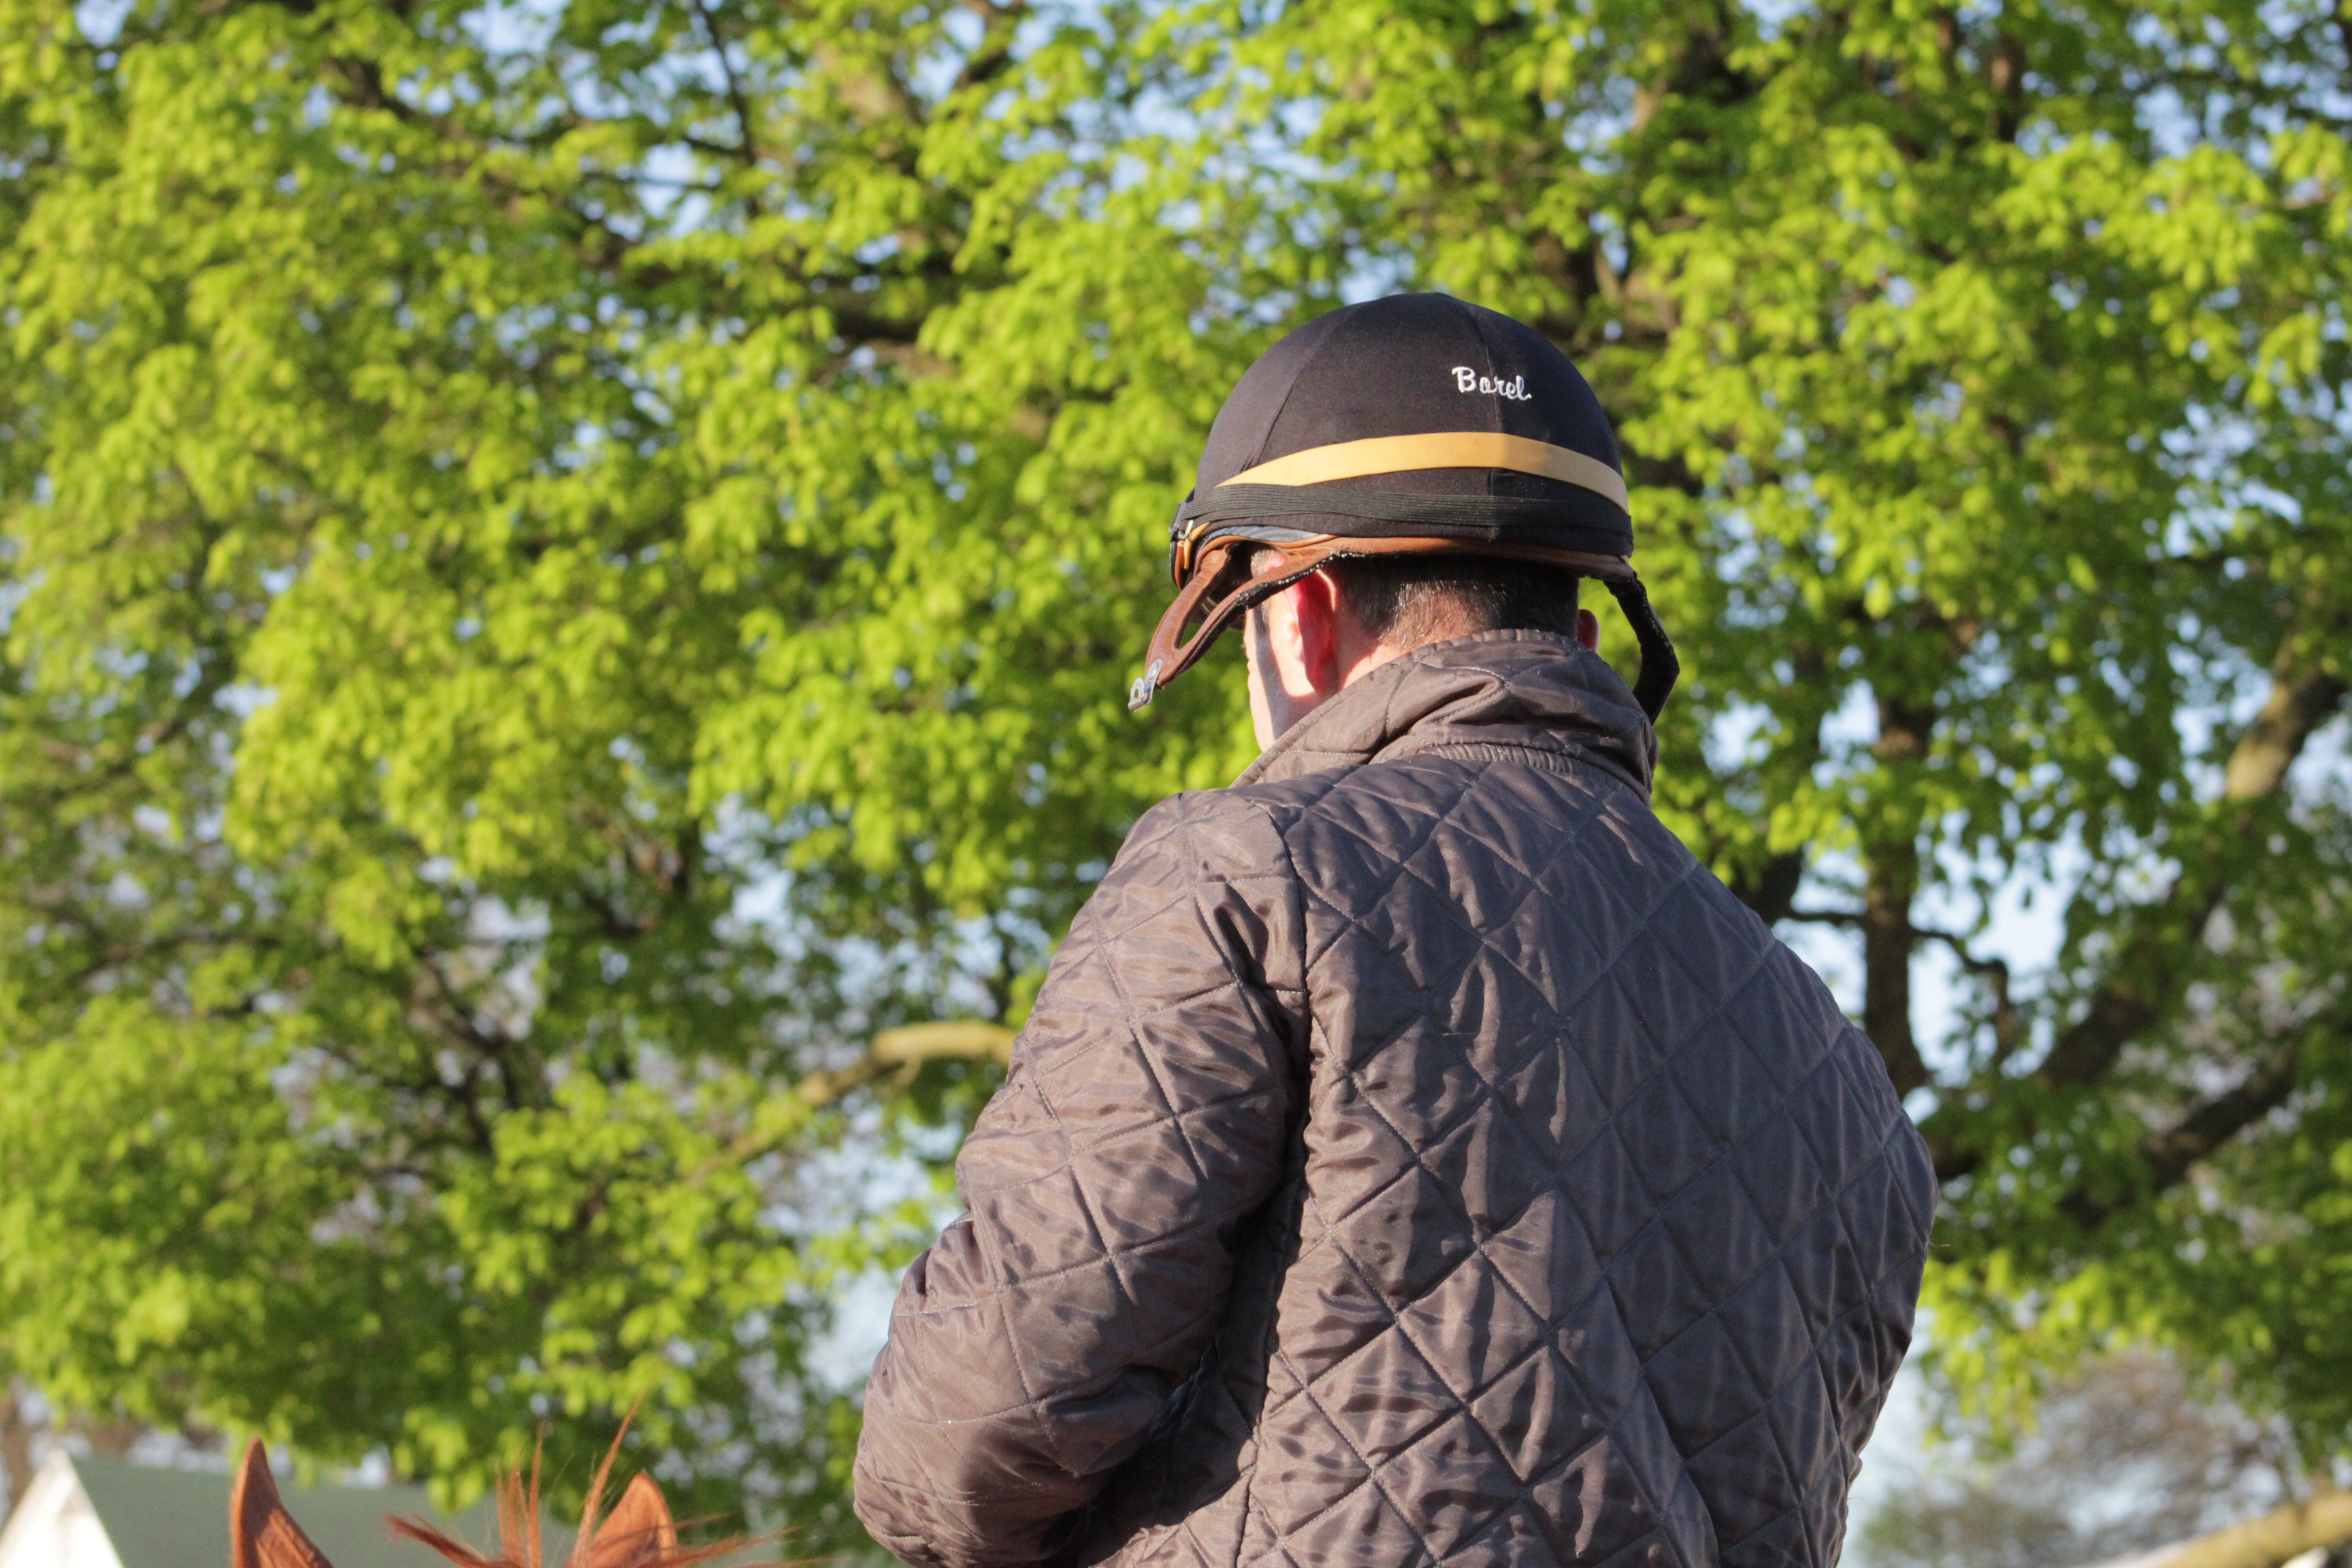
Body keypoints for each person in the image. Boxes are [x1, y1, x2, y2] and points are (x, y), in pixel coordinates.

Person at [852, 293, 1935, 1568]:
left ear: (1299, 620)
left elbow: (978, 1425)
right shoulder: (1832, 1057)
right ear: (1585, 638)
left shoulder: (1247, 873)